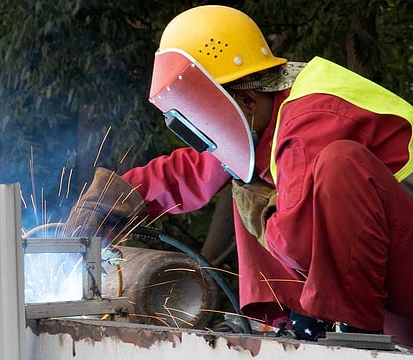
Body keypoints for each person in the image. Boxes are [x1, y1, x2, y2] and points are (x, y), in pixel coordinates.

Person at [66, 5, 413, 345]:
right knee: (244, 170)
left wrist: (258, 205)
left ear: (245, 101)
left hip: (404, 272)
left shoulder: (310, 120)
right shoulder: (266, 113)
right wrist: (122, 196)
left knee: (306, 172)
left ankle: (352, 333)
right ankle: (294, 320)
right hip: (390, 283)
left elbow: (299, 241)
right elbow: (198, 166)